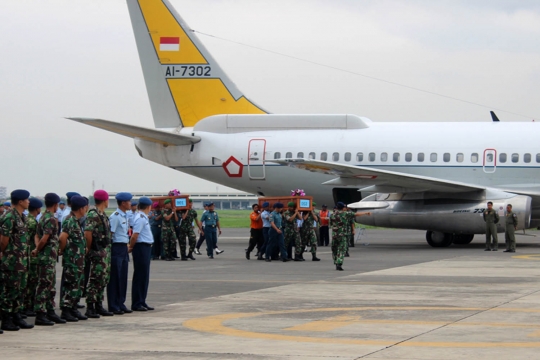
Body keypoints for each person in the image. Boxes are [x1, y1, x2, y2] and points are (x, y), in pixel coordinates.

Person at [0, 190, 34, 331]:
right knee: (9, 291)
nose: (29, 202)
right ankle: (7, 319)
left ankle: (16, 316)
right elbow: (3, 240)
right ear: (20, 201)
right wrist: (5, 254)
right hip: (11, 261)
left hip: (22, 261)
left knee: (20, 290)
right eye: (27, 199)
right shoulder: (9, 217)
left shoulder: (22, 217)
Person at [33, 192, 65, 326]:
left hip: (47, 256)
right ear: (56, 204)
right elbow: (44, 238)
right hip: (47, 256)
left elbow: (37, 235)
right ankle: (40, 314)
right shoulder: (51, 218)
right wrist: (38, 249)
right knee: (45, 285)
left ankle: (50, 311)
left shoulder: (43, 217)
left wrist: (37, 248)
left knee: (50, 285)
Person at [58, 196, 88, 322]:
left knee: (77, 284)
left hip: (78, 259)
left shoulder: (76, 221)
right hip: (72, 259)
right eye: (86, 207)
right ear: (81, 208)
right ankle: (66, 310)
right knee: (70, 284)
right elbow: (62, 238)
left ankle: (73, 308)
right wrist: (64, 250)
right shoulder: (70, 221)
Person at [85, 189, 114, 318]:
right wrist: (89, 248)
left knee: (103, 279)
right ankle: (90, 306)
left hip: (104, 251)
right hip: (97, 251)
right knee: (95, 279)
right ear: (104, 200)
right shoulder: (93, 214)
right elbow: (88, 233)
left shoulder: (102, 215)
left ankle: (98, 305)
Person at [106, 192, 131, 315]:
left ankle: (121, 302)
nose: (130, 204)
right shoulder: (115, 216)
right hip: (116, 248)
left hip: (123, 248)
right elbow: (110, 234)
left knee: (123, 277)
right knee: (115, 277)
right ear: (123, 203)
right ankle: (113, 304)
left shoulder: (125, 215)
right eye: (129, 201)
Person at [128, 197, 155, 311]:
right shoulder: (140, 218)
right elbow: (135, 235)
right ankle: (137, 303)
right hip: (141, 247)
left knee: (144, 276)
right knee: (140, 275)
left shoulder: (143, 217)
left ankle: (142, 300)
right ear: (148, 207)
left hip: (146, 247)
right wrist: (131, 246)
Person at [330, 202, 370, 271]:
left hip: (334, 235)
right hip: (342, 235)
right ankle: (339, 263)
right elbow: (356, 214)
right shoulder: (345, 214)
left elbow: (331, 224)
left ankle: (336, 261)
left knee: (335, 249)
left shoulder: (332, 215)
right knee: (341, 249)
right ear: (343, 208)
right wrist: (366, 213)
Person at [23, 198, 42, 317]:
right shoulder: (32, 222)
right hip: (32, 255)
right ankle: (28, 306)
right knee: (32, 281)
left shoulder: (26, 219)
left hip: (26, 254)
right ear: (37, 209)